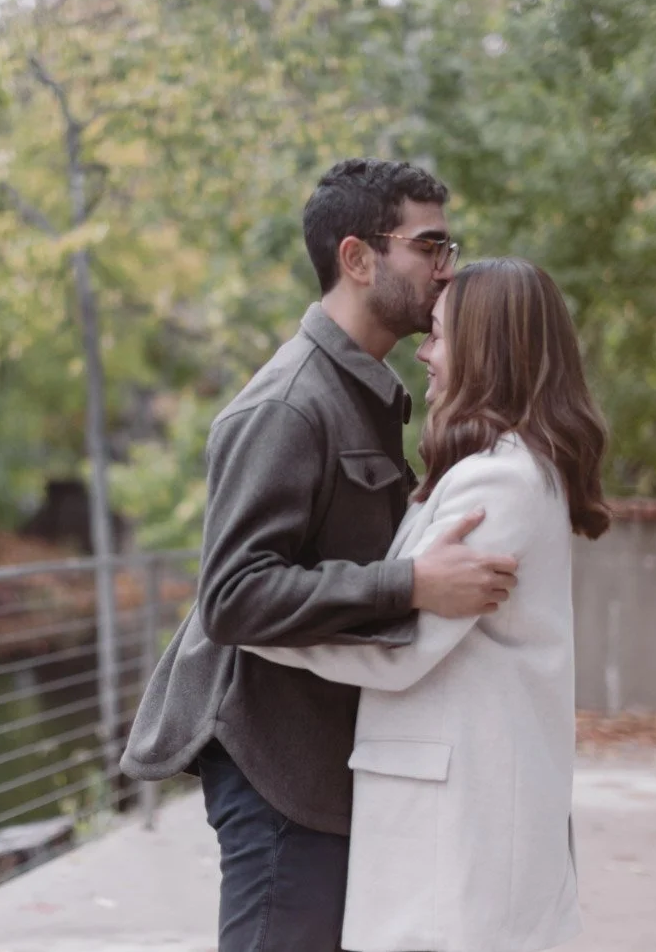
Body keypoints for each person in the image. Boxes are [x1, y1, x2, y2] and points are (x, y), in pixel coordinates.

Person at [120, 159, 521, 952]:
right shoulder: (287, 403)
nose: (449, 269)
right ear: (358, 258)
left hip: (329, 762)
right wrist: (410, 583)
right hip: (277, 765)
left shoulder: (368, 392)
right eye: (431, 246)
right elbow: (232, 595)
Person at [246, 257, 611, 952]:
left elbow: (401, 648)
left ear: (486, 349)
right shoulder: (499, 468)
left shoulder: (500, 480)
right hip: (460, 816)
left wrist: (257, 623)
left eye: (439, 336)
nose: (424, 352)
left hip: (461, 826)